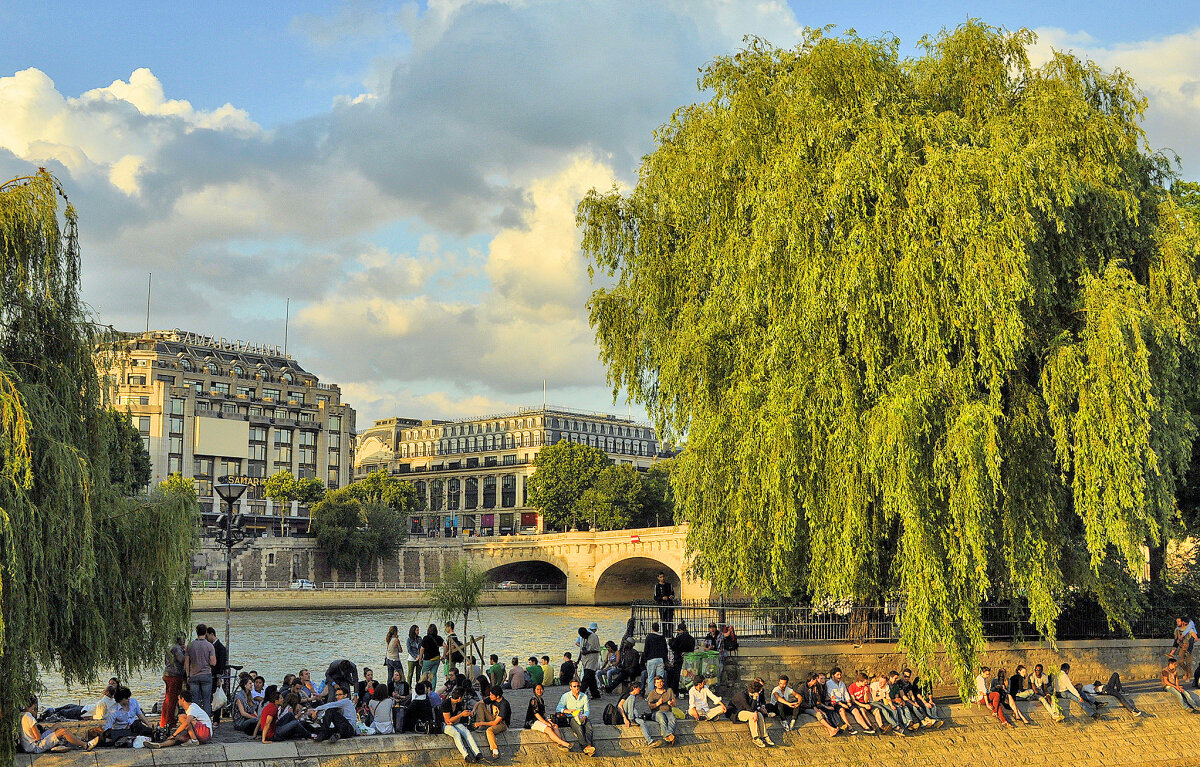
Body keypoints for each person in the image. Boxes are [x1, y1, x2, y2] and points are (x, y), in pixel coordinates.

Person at [20, 697, 90, 753]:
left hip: (29, 745)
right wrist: (48, 735)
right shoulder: (28, 717)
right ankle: (85, 745)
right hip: (35, 746)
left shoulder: (21, 714)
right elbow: (38, 737)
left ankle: (73, 741)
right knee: (63, 731)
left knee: (57, 725)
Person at [146, 690, 213, 748]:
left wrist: (173, 734)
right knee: (178, 738)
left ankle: (194, 740)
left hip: (205, 732)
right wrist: (174, 736)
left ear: (183, 699)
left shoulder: (193, 707)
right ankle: (160, 745)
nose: (178, 701)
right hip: (197, 733)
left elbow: (186, 723)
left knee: (182, 717)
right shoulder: (189, 709)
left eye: (179, 699)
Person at [727, 679, 774, 748]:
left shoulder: (751, 694)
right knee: (752, 715)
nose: (761, 691)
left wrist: (756, 710)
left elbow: (752, 708)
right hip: (736, 713)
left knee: (759, 714)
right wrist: (755, 699)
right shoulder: (742, 696)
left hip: (746, 711)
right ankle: (755, 738)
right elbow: (750, 709)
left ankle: (764, 735)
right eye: (760, 690)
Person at [441, 687, 484, 763]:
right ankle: (465, 755)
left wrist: (458, 717)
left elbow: (456, 720)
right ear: (460, 697)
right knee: (456, 734)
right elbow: (447, 721)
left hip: (455, 723)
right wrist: (460, 715)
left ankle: (477, 753)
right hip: (445, 725)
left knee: (466, 731)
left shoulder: (459, 704)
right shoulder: (446, 704)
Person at [524, 682, 571, 749]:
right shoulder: (533, 700)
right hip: (532, 722)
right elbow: (536, 714)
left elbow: (543, 714)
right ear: (534, 690)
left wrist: (549, 721)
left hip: (540, 720)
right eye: (537, 689)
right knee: (548, 729)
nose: (540, 691)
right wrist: (545, 723)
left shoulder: (541, 700)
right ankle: (563, 743)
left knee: (555, 726)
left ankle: (560, 744)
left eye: (541, 689)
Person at [827, 667, 874, 734]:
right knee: (842, 710)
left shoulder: (842, 683)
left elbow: (845, 693)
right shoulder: (829, 683)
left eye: (840, 675)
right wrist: (841, 704)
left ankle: (866, 727)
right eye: (837, 675)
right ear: (833, 675)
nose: (839, 676)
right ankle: (849, 727)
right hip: (836, 702)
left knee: (855, 710)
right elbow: (831, 696)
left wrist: (848, 701)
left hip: (844, 701)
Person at [556, 678, 596, 756]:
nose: (577, 688)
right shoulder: (565, 696)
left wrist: (584, 717)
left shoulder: (584, 696)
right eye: (574, 686)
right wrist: (568, 710)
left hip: (581, 715)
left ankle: (589, 746)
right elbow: (558, 708)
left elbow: (587, 710)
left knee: (589, 727)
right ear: (570, 687)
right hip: (571, 717)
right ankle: (585, 746)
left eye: (578, 686)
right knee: (579, 728)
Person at [185, 623, 217, 715]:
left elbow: (186, 663)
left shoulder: (190, 645)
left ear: (196, 632)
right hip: (206, 675)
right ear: (206, 632)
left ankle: (195, 720)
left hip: (193, 675)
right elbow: (213, 662)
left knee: (195, 700)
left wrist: (188, 675)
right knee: (206, 700)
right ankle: (205, 721)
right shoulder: (210, 646)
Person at [620, 679, 663, 748]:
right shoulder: (632, 697)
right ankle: (650, 741)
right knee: (642, 722)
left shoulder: (628, 696)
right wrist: (631, 720)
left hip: (627, 716)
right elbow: (630, 711)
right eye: (638, 688)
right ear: (634, 688)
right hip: (628, 717)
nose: (640, 689)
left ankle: (650, 741)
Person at [474, 687, 511, 760]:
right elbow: (479, 703)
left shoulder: (504, 704)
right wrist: (473, 710)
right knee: (481, 705)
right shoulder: (492, 699)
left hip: (502, 723)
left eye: (491, 695)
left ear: (497, 696)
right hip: (493, 718)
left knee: (489, 731)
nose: (490, 697)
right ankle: (481, 727)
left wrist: (481, 723)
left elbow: (495, 723)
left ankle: (495, 752)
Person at [160, 635, 187, 728]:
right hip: (175, 675)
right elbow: (182, 660)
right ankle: (170, 722)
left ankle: (164, 721)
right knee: (172, 699)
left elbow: (165, 662)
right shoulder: (177, 648)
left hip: (168, 674)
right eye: (184, 639)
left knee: (167, 699)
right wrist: (186, 651)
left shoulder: (169, 647)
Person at [204, 626, 228, 722]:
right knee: (210, 696)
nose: (206, 638)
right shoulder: (211, 646)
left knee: (216, 697)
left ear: (211, 634)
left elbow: (221, 664)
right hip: (210, 675)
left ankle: (216, 719)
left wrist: (219, 677)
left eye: (207, 636)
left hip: (215, 675)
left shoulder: (220, 647)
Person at [645, 674, 678, 744]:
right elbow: (650, 706)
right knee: (662, 719)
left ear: (663, 682)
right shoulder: (652, 693)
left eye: (660, 682)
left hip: (668, 711)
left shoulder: (669, 691)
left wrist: (671, 703)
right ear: (655, 684)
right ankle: (667, 735)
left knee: (672, 718)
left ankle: (668, 734)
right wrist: (658, 703)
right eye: (657, 683)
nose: (659, 684)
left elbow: (674, 703)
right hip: (657, 712)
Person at [668, 622, 696, 691]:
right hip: (689, 659)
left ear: (680, 630)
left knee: (678, 675)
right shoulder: (691, 638)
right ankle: (687, 689)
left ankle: (677, 690)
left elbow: (673, 647)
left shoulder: (679, 638)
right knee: (688, 675)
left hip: (679, 659)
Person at [578, 623, 603, 698]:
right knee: (591, 679)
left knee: (586, 678)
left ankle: (580, 693)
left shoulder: (594, 637)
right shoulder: (582, 638)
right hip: (585, 661)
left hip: (592, 660)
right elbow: (581, 650)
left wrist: (588, 652)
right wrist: (578, 660)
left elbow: (597, 649)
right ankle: (595, 694)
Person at [1171, 616, 1197, 682]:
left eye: (1179, 621)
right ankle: (1187, 672)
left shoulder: (1189, 629)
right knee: (1180, 662)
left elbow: (1196, 639)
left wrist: (1189, 643)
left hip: (1188, 646)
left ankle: (1188, 676)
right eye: (1177, 621)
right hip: (1182, 647)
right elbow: (1176, 640)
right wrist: (1180, 644)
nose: (1177, 623)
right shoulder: (1177, 630)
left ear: (1182, 622)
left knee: (1188, 662)